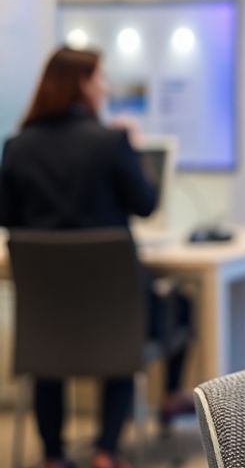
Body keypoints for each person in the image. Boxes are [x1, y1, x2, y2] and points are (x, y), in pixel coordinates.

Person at [0, 47, 193, 468]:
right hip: (113, 318)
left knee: (54, 339)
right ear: (83, 85)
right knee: (166, 308)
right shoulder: (112, 143)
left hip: (46, 317)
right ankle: (107, 449)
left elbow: (6, 216)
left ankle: (52, 455)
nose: (105, 87)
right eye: (100, 78)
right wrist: (134, 148)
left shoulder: (16, 147)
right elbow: (145, 204)